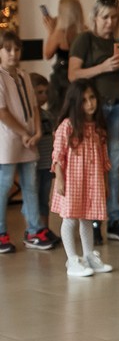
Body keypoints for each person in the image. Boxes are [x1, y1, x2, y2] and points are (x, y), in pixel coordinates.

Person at [67, 0, 119, 243]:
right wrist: (103, 67)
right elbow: (73, 74)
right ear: (95, 17)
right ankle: (94, 220)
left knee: (114, 166)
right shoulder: (84, 40)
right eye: (105, 17)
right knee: (94, 166)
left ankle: (115, 219)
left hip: (118, 106)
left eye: (114, 17)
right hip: (93, 110)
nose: (110, 22)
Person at [51, 81, 113, 276]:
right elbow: (58, 155)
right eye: (84, 100)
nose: (90, 103)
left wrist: (105, 183)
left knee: (87, 218)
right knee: (70, 219)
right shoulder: (67, 126)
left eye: (92, 98)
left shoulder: (98, 128)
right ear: (75, 103)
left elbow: (104, 159)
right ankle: (72, 260)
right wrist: (60, 179)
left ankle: (88, 256)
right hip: (72, 181)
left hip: (92, 181)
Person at [0, 31, 54, 253]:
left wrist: (37, 131)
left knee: (30, 185)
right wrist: (23, 133)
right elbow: (3, 112)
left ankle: (34, 230)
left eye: (17, 49)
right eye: (8, 49)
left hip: (29, 140)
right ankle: (1, 232)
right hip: (9, 141)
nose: (13, 53)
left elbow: (34, 107)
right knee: (4, 186)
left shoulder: (24, 76)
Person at [41, 0, 85, 116]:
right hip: (81, 74)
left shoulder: (59, 33)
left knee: (58, 113)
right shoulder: (86, 32)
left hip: (61, 77)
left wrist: (51, 31)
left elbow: (47, 54)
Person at [30, 73, 57, 243]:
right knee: (33, 198)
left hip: (47, 165)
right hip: (34, 165)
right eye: (39, 92)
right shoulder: (29, 118)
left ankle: (45, 229)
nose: (44, 96)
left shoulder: (49, 115)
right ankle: (34, 229)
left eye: (46, 92)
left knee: (44, 199)